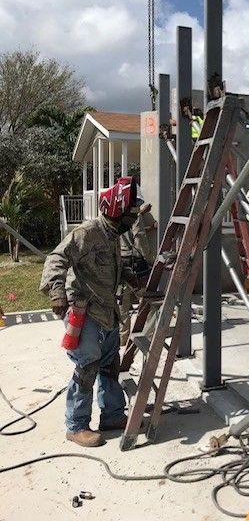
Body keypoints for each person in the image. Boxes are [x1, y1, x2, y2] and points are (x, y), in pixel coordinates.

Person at [40, 177, 140, 448]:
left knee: (109, 366)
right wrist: (57, 292)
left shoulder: (112, 235)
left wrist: (130, 276)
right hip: (84, 312)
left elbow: (106, 270)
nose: (132, 221)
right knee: (87, 367)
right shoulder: (88, 233)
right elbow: (56, 259)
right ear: (116, 212)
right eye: (129, 215)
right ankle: (76, 426)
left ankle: (112, 415)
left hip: (107, 311)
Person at [119, 200, 156, 346]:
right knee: (147, 300)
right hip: (136, 263)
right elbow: (139, 238)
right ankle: (150, 335)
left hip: (121, 262)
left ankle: (122, 337)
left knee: (122, 302)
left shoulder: (116, 213)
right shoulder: (135, 215)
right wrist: (150, 259)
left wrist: (147, 227)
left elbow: (127, 233)